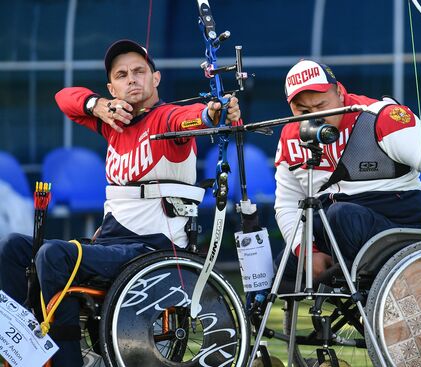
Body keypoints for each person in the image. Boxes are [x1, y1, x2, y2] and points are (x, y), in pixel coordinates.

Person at [0, 39, 241, 366]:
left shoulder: (166, 119)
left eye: (140, 71)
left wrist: (214, 112)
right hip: (111, 245)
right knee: (13, 247)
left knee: (54, 256)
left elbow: (193, 118)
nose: (132, 79)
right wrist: (97, 105)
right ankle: (20, 351)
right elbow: (63, 98)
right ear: (112, 87)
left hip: (152, 248)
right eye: (122, 74)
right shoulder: (113, 123)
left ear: (155, 79)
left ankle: (65, 360)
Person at [274, 59, 421, 284]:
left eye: (321, 105)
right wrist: (306, 251)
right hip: (333, 227)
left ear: (340, 93)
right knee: (280, 263)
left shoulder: (381, 116)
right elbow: (286, 204)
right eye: (303, 109)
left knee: (341, 215)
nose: (315, 115)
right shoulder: (289, 137)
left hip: (395, 223)